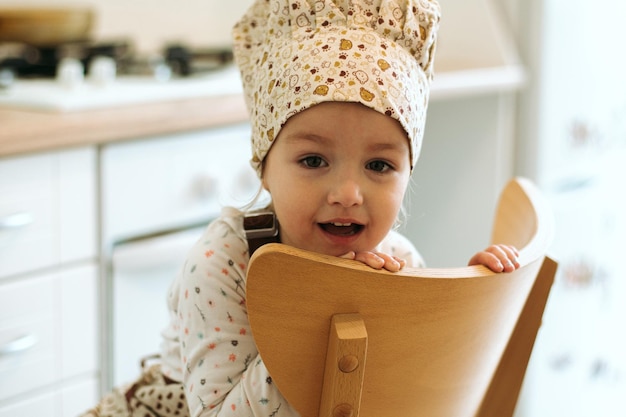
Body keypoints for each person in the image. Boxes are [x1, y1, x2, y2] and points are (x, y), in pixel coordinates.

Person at [81, 0, 519, 416]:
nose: (348, 193)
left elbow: (413, 392)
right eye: (313, 160)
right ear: (264, 169)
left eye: (379, 165)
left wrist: (468, 303)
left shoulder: (399, 263)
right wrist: (321, 322)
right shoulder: (223, 264)